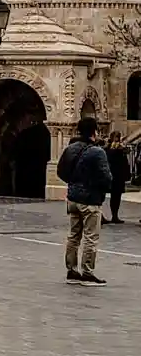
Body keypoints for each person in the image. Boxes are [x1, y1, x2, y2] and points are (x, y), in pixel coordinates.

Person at [58, 117, 111, 284]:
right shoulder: (97, 151)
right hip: (90, 199)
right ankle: (87, 271)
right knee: (90, 236)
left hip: (73, 198)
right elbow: (106, 177)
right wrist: (99, 187)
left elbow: (61, 171)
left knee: (74, 235)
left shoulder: (70, 148)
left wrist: (73, 183)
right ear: (94, 131)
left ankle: (71, 270)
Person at [105, 132, 128, 225]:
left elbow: (125, 162)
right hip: (111, 174)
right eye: (115, 137)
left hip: (119, 175)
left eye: (118, 137)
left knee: (117, 196)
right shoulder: (108, 148)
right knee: (112, 196)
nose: (116, 139)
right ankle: (110, 215)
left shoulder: (121, 148)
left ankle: (115, 215)